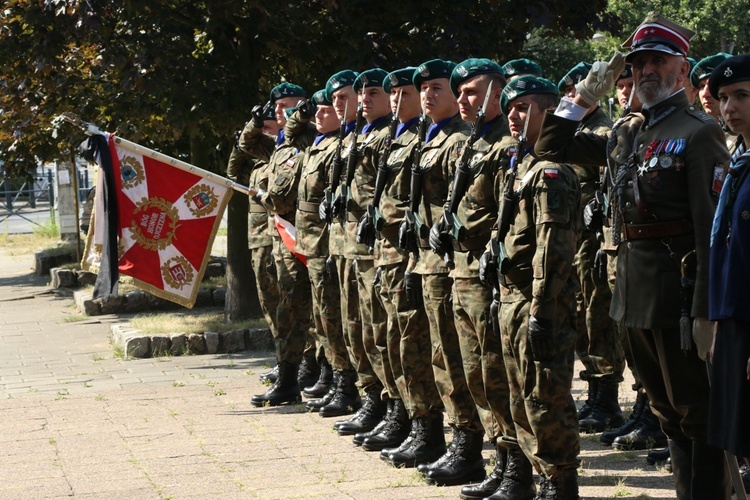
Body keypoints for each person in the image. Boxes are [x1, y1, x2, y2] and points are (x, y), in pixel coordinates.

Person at [535, 12, 732, 498]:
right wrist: (583, 98)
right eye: (638, 62)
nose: (646, 71)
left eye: (658, 62)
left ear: (681, 71)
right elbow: (549, 146)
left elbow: (711, 229)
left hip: (679, 295)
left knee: (697, 413)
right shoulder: (626, 131)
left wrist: (708, 310)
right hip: (630, 292)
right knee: (666, 413)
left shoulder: (699, 131)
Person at [484, 74, 581, 498]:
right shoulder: (521, 166)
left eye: (524, 107)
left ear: (549, 110)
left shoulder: (550, 173)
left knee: (545, 399)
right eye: (509, 109)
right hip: (512, 296)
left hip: (540, 300)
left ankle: (560, 485)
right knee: (518, 395)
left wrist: (542, 311)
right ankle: (538, 479)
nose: (514, 116)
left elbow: (553, 248)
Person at [352, 67, 421, 454]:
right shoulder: (394, 138)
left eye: (402, 93)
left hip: (408, 257)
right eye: (391, 94)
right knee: (382, 337)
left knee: (409, 344)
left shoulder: (418, 140)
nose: (396, 100)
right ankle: (395, 410)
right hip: (382, 254)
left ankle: (420, 423)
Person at [557, 61, 624, 434]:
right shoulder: (575, 129)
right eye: (568, 90)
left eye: (575, 89)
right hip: (571, 238)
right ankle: (596, 391)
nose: (571, 96)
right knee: (581, 314)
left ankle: (607, 397)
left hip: (594, 240)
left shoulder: (602, 131)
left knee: (598, 315)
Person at [240, 82, 316, 408]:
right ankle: (289, 375)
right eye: (278, 107)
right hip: (278, 239)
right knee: (286, 309)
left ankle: (312, 372)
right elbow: (248, 143)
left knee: (306, 310)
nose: (282, 112)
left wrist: (298, 118)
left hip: (302, 237)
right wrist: (256, 122)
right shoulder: (279, 145)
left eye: (290, 106)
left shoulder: (308, 139)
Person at [707, 52, 750, 494]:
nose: (729, 107)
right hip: (734, 316)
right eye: (722, 97)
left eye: (741, 96)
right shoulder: (739, 161)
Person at [226, 103, 281, 383]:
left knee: (287, 303)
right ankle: (282, 358)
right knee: (268, 302)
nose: (264, 133)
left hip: (279, 236)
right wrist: (240, 142)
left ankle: (297, 360)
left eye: (268, 127)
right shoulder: (257, 162)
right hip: (258, 237)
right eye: (261, 128)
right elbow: (232, 172)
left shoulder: (278, 155)